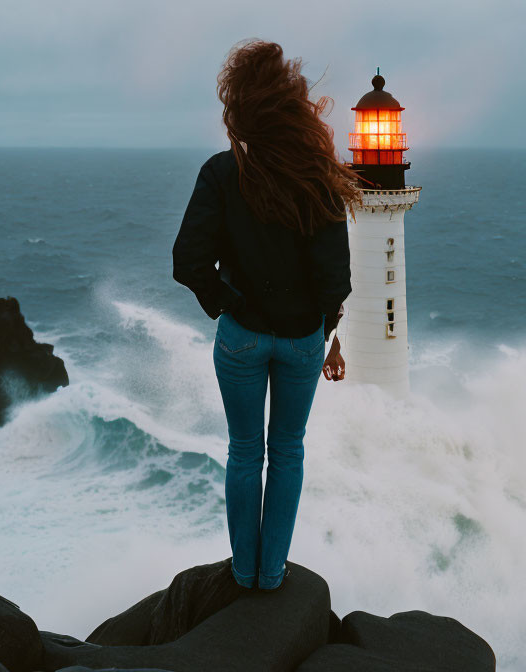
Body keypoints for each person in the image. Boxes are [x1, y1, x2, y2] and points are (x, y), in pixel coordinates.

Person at [171, 39, 363, 591]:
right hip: (303, 338)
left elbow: (187, 262)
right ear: (291, 106)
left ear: (241, 108)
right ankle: (273, 575)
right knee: (287, 452)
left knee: (243, 451)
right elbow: (337, 278)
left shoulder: (220, 172)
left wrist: (228, 304)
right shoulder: (319, 175)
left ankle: (242, 571)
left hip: (242, 338)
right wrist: (324, 331)